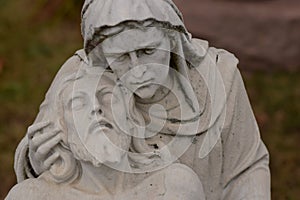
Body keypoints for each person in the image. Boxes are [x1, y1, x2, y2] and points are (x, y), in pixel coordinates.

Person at [13, 0, 270, 199]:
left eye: (148, 51)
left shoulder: (219, 76)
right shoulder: (79, 77)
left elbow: (245, 169)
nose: (138, 69)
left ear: (172, 38)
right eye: (122, 57)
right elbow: (38, 156)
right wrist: (37, 159)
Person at [7, 68, 205, 200]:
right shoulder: (32, 196)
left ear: (131, 117)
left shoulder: (174, 186)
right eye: (77, 103)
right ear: (61, 129)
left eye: (107, 97)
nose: (96, 108)